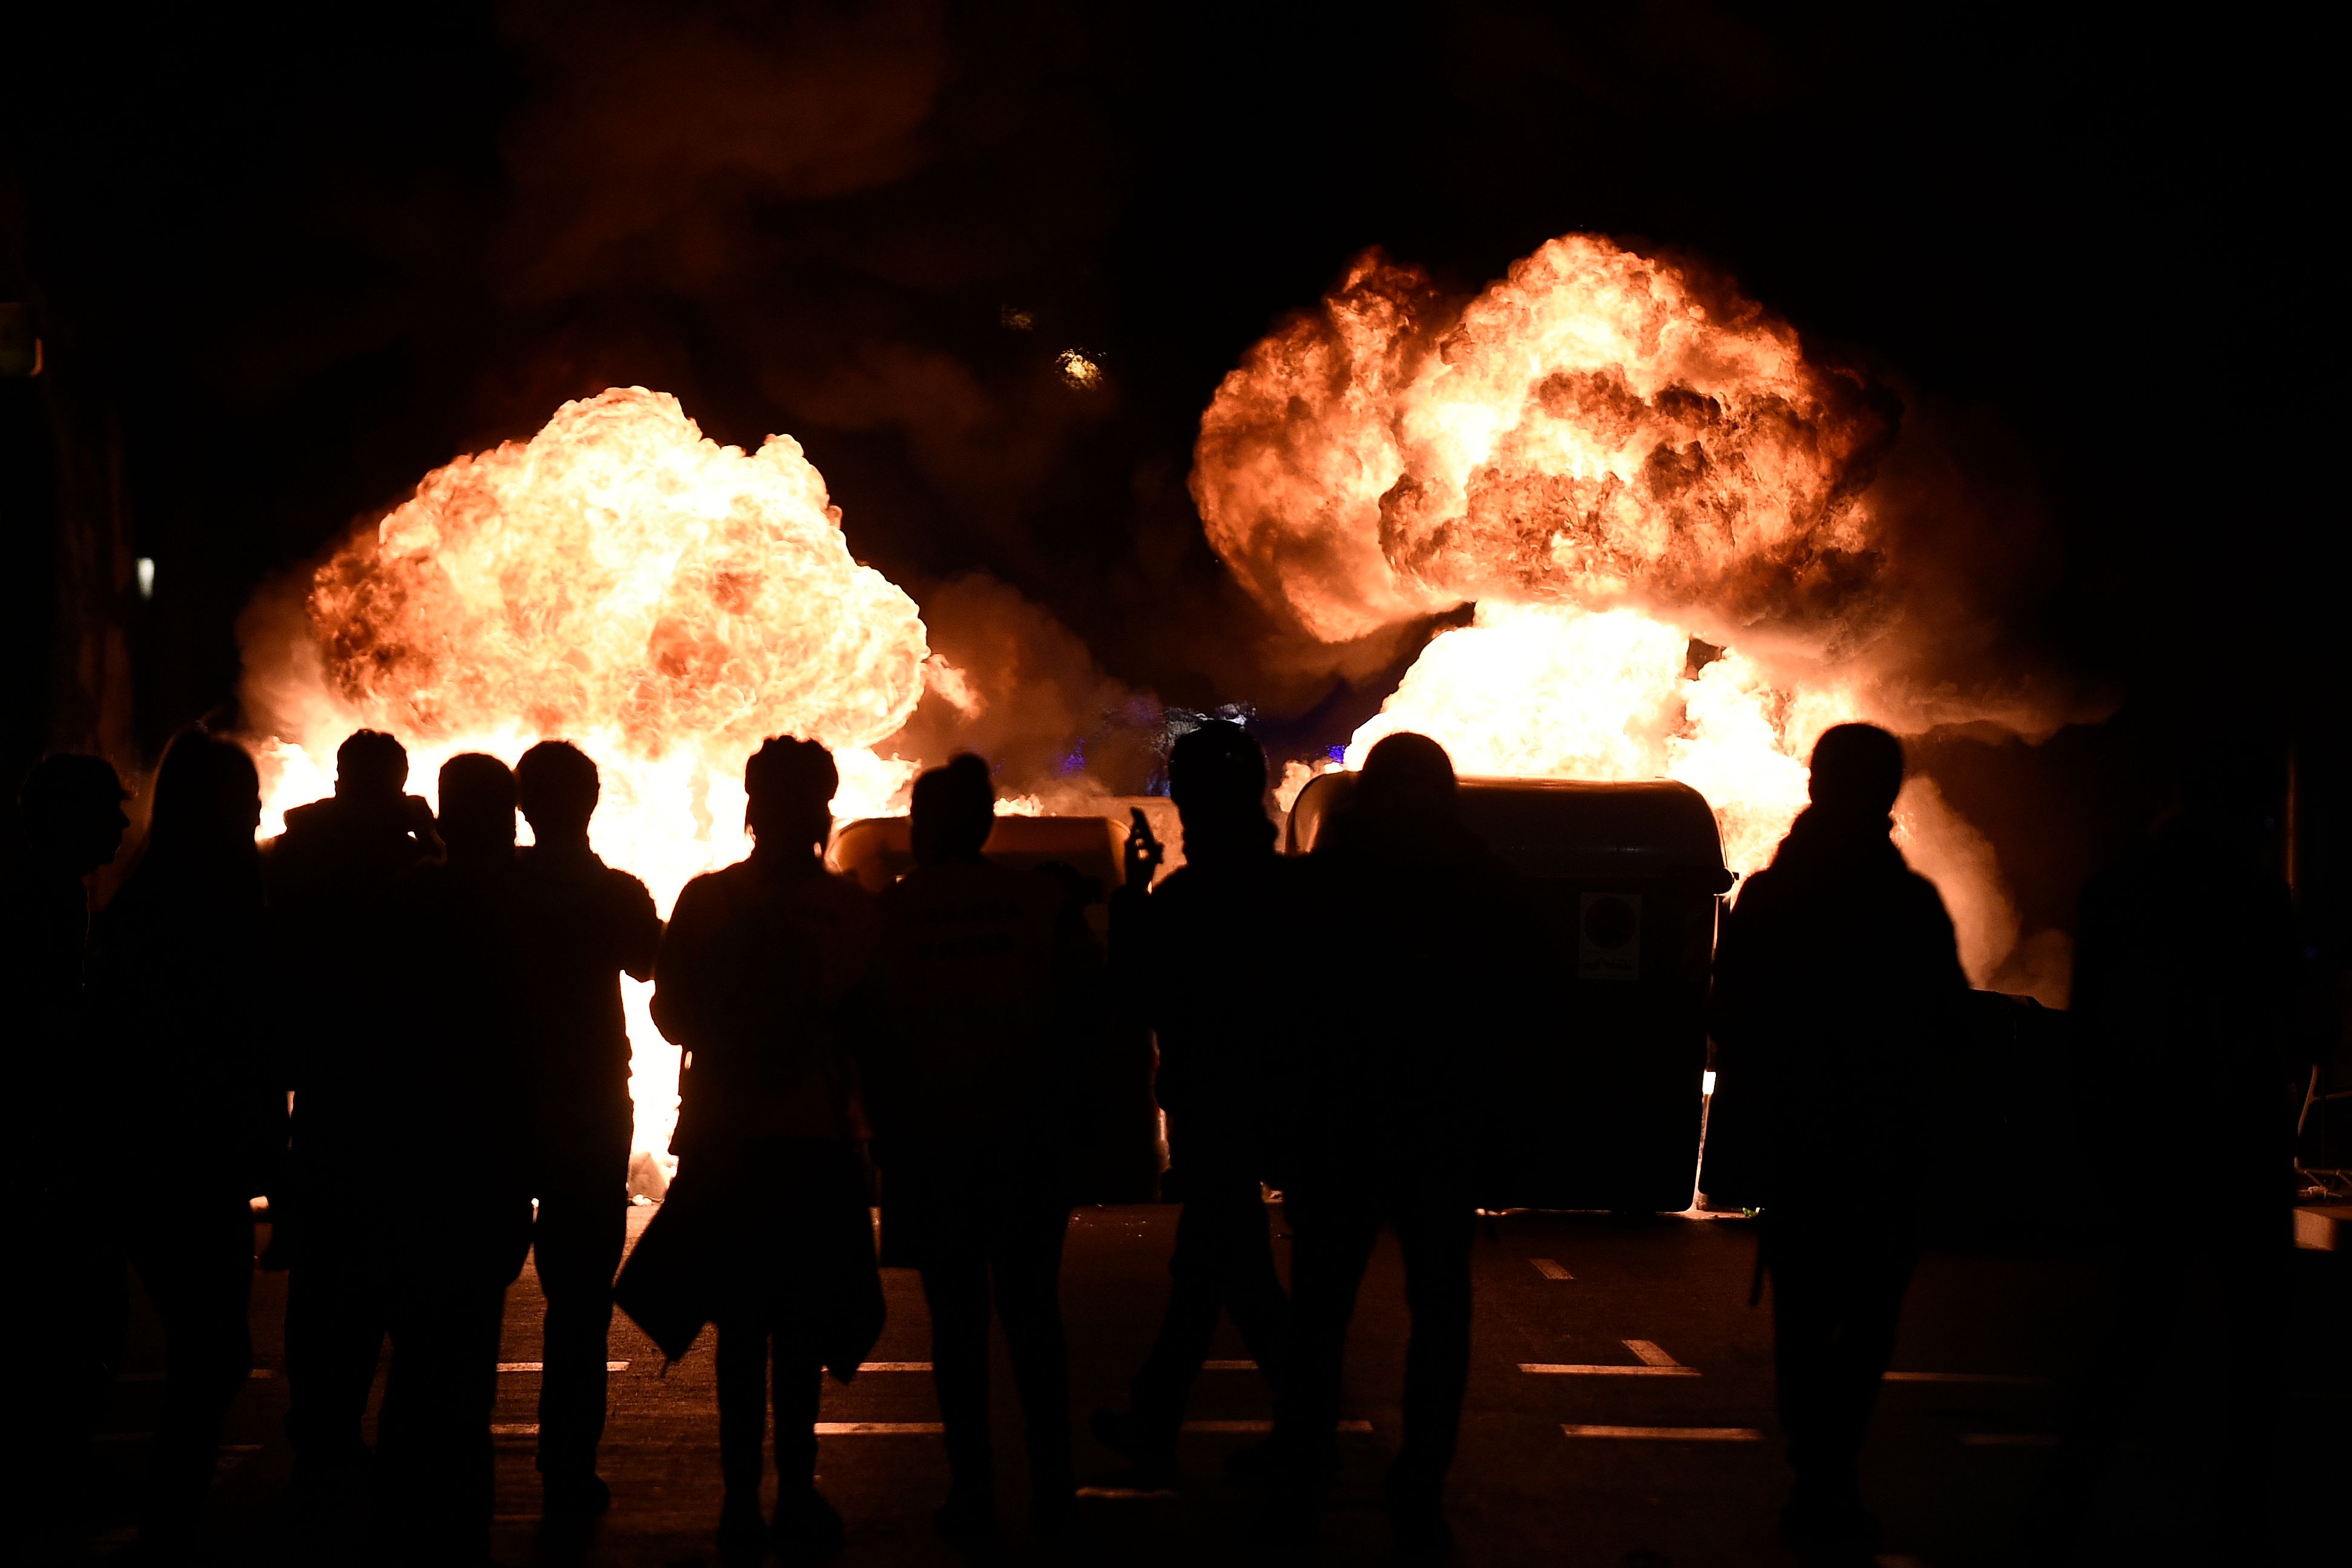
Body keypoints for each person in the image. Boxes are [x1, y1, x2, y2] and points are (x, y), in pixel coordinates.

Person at [2030, 747, 2307, 1564]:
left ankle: (2064, 1498)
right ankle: (2239, 1515)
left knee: (2136, 1325)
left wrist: (2095, 1132)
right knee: (2255, 1344)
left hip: (2149, 1139)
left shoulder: (2117, 890)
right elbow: (2286, 1014)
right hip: (2236, 1144)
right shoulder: (2257, 897)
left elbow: (2088, 1032)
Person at [1706, 722, 1968, 1561]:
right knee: (1865, 1321)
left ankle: (1815, 1463)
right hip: (1882, 1149)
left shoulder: (1772, 896)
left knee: (1804, 1313)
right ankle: (1830, 1467)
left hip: (1797, 1145)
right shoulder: (1909, 901)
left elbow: (1729, 1016)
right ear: (1887, 794)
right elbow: (1946, 1027)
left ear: (1816, 784)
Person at [1267, 732, 1523, 1555]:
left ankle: (1303, 1477)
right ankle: (1418, 1485)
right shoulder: (1485, 883)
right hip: (1438, 1129)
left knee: (1319, 1315)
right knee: (1440, 1313)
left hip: (1340, 1129)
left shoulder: (1322, 887)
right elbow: (1525, 1014)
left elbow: (1282, 1017)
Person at [649, 736, 882, 1559]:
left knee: (741, 1328)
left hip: (726, 1139)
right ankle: (797, 1485)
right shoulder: (851, 907)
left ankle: (741, 1496)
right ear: (822, 804)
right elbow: (870, 1030)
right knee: (804, 1326)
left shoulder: (708, 899)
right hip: (811, 1143)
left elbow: (669, 1013)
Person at [864, 753, 1089, 1542]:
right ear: (986, 823)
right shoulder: (1037, 904)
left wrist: (883, 1135)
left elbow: (872, 1035)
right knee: (1033, 1311)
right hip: (1025, 1138)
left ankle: (972, 1485)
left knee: (955, 1322)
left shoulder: (890, 913)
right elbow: (1082, 1022)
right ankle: (1054, 1475)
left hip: (934, 1143)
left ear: (927, 825)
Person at [87, 730, 287, 1552]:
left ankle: (175, 1518)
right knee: (213, 1351)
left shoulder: (150, 899)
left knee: (209, 1350)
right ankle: (173, 1524)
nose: (256, 812)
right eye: (245, 799)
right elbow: (249, 1037)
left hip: (162, 1155)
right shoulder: (213, 906)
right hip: (185, 1159)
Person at [1092, 721, 1295, 1476]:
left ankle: (1302, 1420)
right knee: (1212, 1270)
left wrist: (1134, 893)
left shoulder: (1185, 898)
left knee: (1229, 1271)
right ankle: (1158, 1413)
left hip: (1213, 1108)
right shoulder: (1287, 892)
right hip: (1269, 1106)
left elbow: (1133, 998)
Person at [372, 753, 536, 1560]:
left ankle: (403, 1514)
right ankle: (458, 1522)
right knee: (468, 1352)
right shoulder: (515, 908)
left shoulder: (408, 900)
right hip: (486, 1156)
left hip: (410, 1151)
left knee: (416, 1351)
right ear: (508, 818)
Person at [269, 728, 439, 1495]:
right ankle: (369, 1429)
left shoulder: (293, 849)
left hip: (325, 1084)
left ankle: (317, 1421)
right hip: (398, 1089)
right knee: (386, 1268)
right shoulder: (410, 859)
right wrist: (428, 830)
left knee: (318, 1268)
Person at [511, 740, 662, 1515]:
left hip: (498, 1109)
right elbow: (653, 965)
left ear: (523, 805)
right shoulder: (612, 893)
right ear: (591, 803)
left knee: (461, 1294)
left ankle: (446, 1468)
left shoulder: (491, 889)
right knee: (579, 1303)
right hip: (591, 1106)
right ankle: (567, 1465)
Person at [7, 753, 131, 1553]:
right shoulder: (40, 898)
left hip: (51, 1143)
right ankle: (50, 1466)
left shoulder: (59, 892)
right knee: (63, 1316)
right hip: (41, 1148)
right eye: (107, 811)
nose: (123, 823)